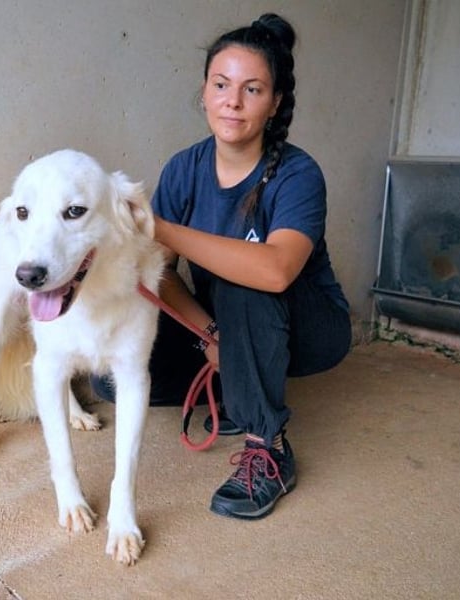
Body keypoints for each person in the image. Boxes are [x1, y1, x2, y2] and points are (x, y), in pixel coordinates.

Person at [93, 13, 351, 520]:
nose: (233, 101)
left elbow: (276, 271)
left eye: (252, 89)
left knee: (247, 277)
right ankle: (235, 388)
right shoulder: (185, 168)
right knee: (112, 376)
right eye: (221, 84)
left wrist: (160, 229)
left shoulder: (297, 173)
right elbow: (159, 274)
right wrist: (210, 335)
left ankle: (268, 446)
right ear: (205, 91)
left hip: (308, 327)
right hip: (228, 323)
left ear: (275, 103)